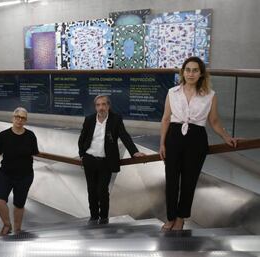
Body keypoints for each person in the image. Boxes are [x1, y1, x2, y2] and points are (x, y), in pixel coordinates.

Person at [159, 56, 238, 231]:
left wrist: (226, 137)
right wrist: (162, 144)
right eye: (188, 70)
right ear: (183, 72)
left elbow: (214, 121)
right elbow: (165, 119)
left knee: (189, 181)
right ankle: (171, 217)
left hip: (196, 139)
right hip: (174, 136)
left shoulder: (210, 95)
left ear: (201, 73)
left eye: (195, 70)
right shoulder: (172, 92)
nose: (191, 73)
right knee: (171, 180)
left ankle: (181, 218)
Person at [78, 95, 145, 225]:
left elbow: (124, 135)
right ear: (95, 107)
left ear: (108, 106)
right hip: (90, 159)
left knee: (102, 190)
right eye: (98, 105)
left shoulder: (116, 119)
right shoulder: (89, 119)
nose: (101, 107)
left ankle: (103, 218)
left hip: (106, 162)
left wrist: (134, 152)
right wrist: (82, 154)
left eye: (103, 104)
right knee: (91, 190)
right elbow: (82, 138)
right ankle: (93, 217)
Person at [0, 107, 39, 235]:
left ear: (26, 120)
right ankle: (7, 224)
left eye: (23, 118)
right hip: (5, 174)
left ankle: (17, 229)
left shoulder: (30, 136)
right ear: (13, 118)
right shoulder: (3, 135)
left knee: (19, 204)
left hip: (25, 175)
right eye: (17, 117)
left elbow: (33, 153)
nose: (19, 120)